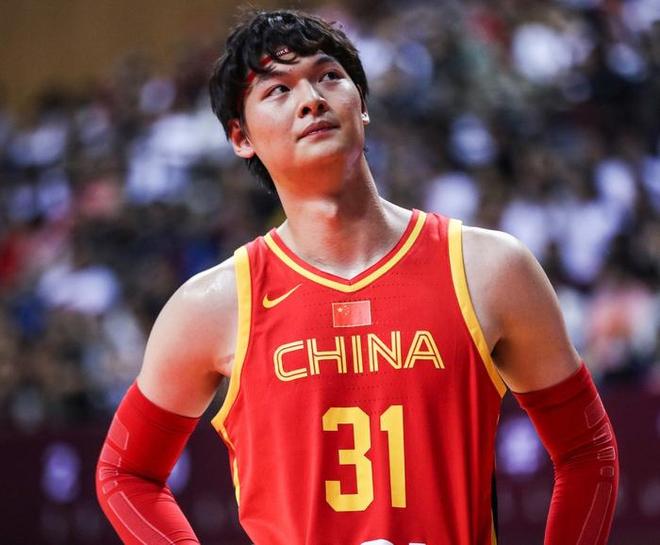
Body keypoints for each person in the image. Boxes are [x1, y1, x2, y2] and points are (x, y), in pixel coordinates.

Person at [96, 9, 619, 545]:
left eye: (328, 76)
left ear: (362, 105)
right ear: (240, 136)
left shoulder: (489, 268)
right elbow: (125, 473)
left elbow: (587, 451)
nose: (311, 99)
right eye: (278, 90)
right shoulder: (212, 304)